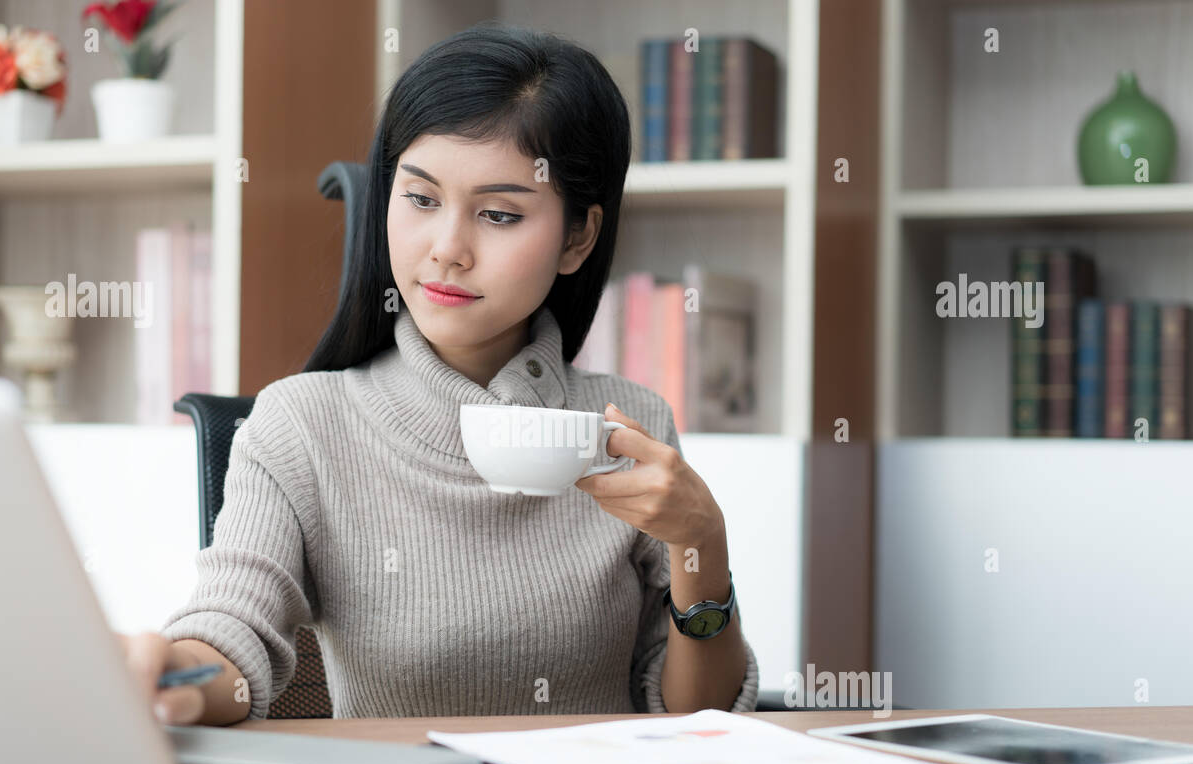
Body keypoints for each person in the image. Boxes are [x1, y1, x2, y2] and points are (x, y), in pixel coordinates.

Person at [119, 22, 758, 725]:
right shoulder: (302, 423)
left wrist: (702, 540)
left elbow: (698, 717)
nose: (448, 249)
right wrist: (167, 671)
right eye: (421, 199)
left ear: (577, 236)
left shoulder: (629, 427)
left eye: (498, 213)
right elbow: (230, 633)